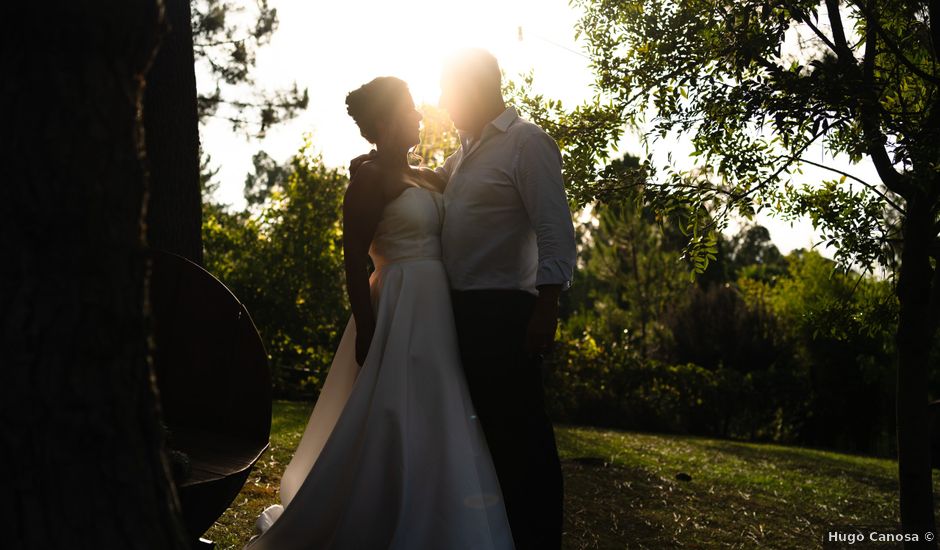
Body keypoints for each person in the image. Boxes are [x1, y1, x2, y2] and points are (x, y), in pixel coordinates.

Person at [245, 76, 515, 550]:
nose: (419, 117)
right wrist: (368, 327)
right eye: (410, 110)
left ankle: (440, 511)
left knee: (440, 407)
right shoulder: (368, 183)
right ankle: (379, 508)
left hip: (439, 309)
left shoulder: (432, 176)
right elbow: (353, 261)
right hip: (396, 302)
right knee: (391, 409)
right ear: (388, 120)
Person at [434, 49, 576, 550]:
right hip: (459, 315)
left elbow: (555, 230)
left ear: (477, 88)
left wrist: (547, 306)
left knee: (522, 437)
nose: (444, 103)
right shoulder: (464, 152)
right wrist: (379, 165)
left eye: (450, 92)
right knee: (480, 439)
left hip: (506, 313)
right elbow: (430, 186)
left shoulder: (527, 143)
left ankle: (538, 540)